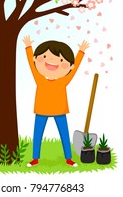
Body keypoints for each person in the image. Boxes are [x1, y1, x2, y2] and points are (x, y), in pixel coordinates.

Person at [23, 35, 89, 167]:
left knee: (64, 135)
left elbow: (75, 69)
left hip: (60, 111)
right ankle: (35, 158)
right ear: (36, 59)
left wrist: (81, 52)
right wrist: (28, 47)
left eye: (60, 59)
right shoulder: (39, 79)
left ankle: (68, 159)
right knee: (37, 135)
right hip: (41, 111)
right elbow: (31, 64)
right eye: (45, 57)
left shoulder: (64, 80)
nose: (52, 60)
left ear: (69, 66)